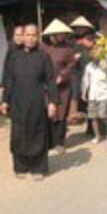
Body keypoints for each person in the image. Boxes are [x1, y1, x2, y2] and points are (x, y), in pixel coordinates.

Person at [1, 24, 58, 180]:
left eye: (34, 35)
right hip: (17, 102)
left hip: (37, 102)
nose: (31, 38)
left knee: (37, 133)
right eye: (28, 35)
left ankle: (38, 168)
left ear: (37, 37)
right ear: (23, 36)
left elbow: (51, 80)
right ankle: (21, 166)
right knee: (19, 134)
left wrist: (53, 102)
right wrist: (5, 100)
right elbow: (8, 80)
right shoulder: (13, 56)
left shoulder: (43, 57)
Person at [42, 19, 76, 153]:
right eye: (58, 34)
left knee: (61, 114)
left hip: (63, 87)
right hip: (46, 85)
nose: (61, 36)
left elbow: (72, 65)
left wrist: (62, 75)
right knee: (49, 112)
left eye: (63, 34)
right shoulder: (43, 47)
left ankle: (59, 142)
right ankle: (49, 141)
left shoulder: (68, 49)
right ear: (52, 35)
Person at [81, 47, 107, 144]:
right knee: (93, 116)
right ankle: (97, 135)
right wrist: (84, 92)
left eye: (97, 58)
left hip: (104, 93)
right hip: (92, 94)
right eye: (93, 58)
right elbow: (86, 80)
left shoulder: (105, 66)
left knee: (103, 115)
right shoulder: (89, 66)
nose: (95, 59)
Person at [69, 16, 95, 124]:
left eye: (81, 27)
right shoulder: (71, 39)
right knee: (75, 92)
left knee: (89, 93)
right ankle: (73, 116)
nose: (79, 29)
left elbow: (97, 49)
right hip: (75, 70)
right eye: (77, 27)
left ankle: (91, 120)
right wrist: (73, 56)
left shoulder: (92, 37)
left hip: (88, 68)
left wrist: (88, 45)